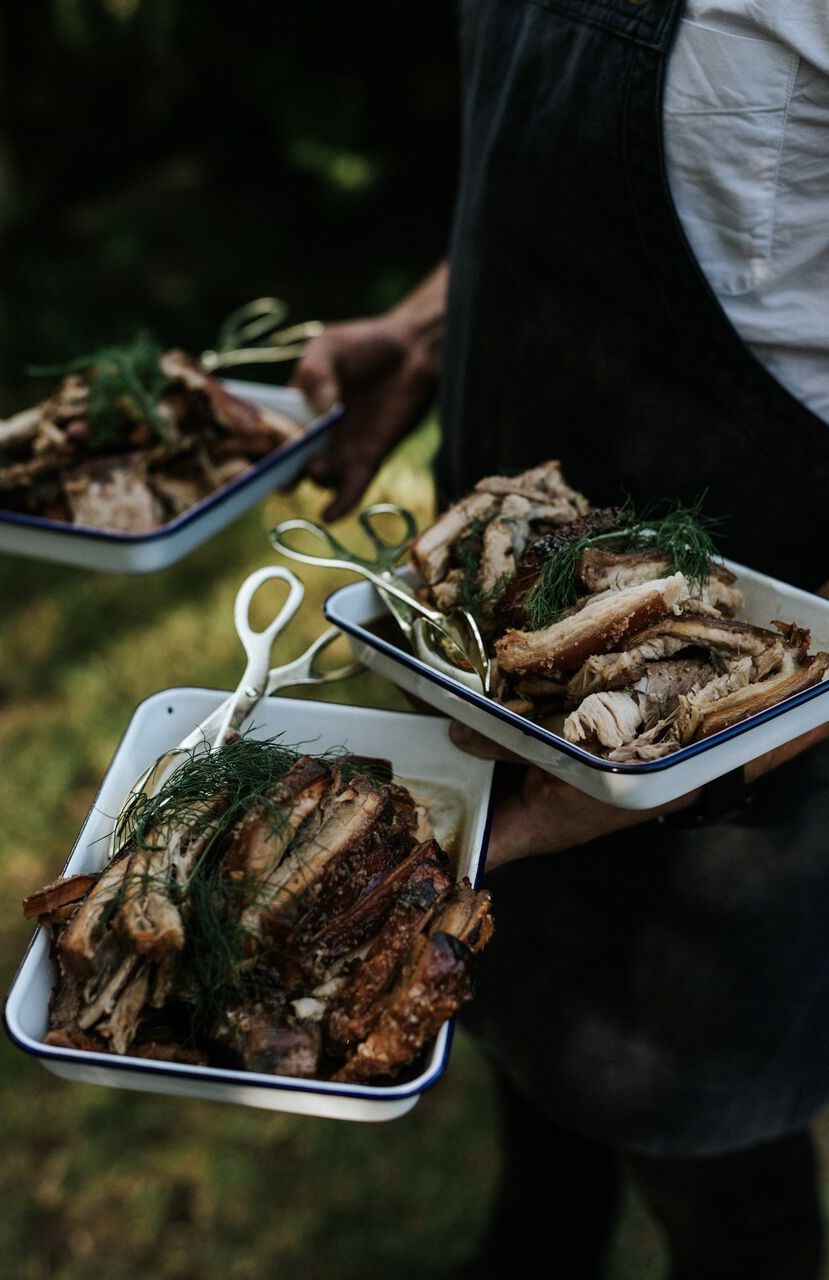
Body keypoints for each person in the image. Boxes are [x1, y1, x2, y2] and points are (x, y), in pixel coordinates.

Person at [293, 1, 829, 1275]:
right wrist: (425, 331)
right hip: (478, 672)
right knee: (520, 1042)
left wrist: (711, 723)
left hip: (740, 743)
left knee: (715, 1172)